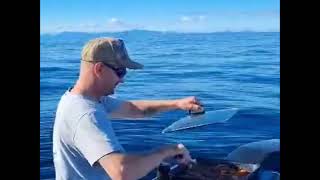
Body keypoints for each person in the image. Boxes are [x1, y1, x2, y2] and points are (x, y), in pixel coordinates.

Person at [52, 37, 204, 180]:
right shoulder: (85, 114)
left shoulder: (88, 98)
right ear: (99, 69)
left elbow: (133, 109)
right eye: (120, 71)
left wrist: (177, 104)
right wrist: (167, 151)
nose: (122, 79)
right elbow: (121, 171)